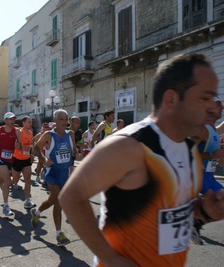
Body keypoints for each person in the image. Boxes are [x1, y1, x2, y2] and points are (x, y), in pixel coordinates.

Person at [59, 53, 224, 267]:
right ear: (171, 99)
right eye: (205, 97)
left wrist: (204, 211)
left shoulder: (189, 150)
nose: (213, 107)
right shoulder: (129, 146)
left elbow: (169, 213)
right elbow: (71, 197)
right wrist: (110, 259)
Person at [30, 109, 79, 246]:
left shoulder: (71, 134)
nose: (64, 122)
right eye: (61, 119)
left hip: (64, 174)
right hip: (52, 173)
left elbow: (73, 152)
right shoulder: (48, 135)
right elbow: (35, 148)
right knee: (59, 200)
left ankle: (36, 212)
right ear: (55, 120)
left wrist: (76, 158)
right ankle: (59, 234)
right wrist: (44, 159)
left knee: (53, 199)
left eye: (66, 119)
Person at [190, 96, 224, 244]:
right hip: (198, 178)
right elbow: (187, 152)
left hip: (209, 178)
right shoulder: (201, 130)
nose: (222, 106)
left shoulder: (213, 131)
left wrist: (217, 162)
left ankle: (197, 222)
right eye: (218, 104)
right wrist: (211, 155)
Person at [12, 116, 36, 209]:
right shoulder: (19, 132)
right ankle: (6, 183)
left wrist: (31, 155)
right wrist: (25, 147)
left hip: (26, 159)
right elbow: (16, 146)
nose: (31, 124)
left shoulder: (30, 133)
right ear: (24, 123)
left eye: (31, 122)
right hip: (17, 159)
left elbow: (30, 145)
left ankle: (27, 201)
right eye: (29, 122)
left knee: (28, 179)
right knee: (14, 180)